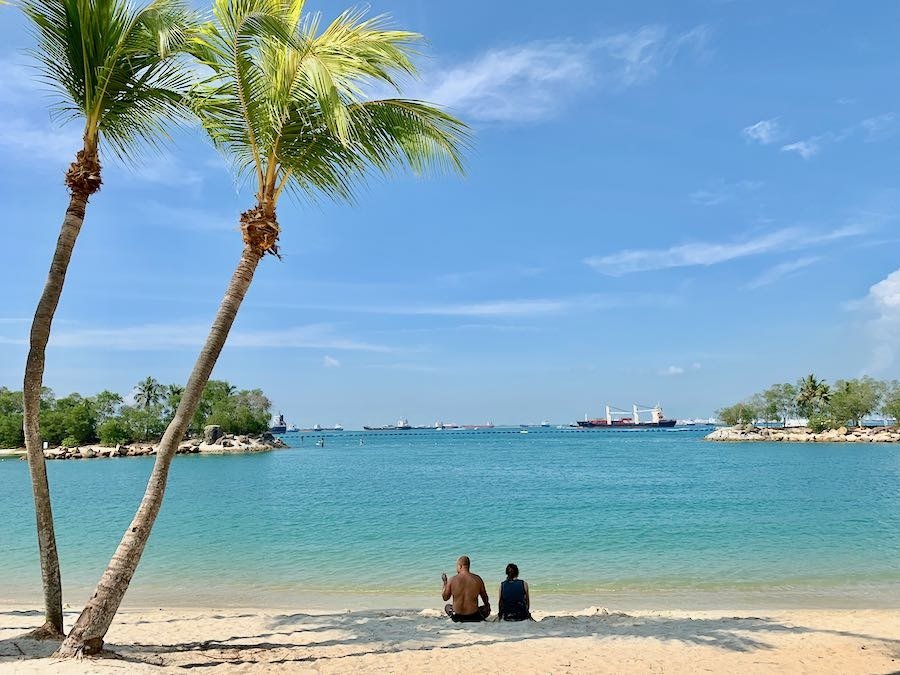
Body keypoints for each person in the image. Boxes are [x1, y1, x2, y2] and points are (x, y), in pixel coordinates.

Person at [442, 555, 491, 622]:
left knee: (447, 607)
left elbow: (445, 598)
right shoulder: (477, 579)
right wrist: (487, 606)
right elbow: (485, 598)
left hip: (457, 616)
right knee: (486, 607)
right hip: (474, 616)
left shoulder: (452, 580)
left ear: (460, 566)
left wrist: (445, 583)